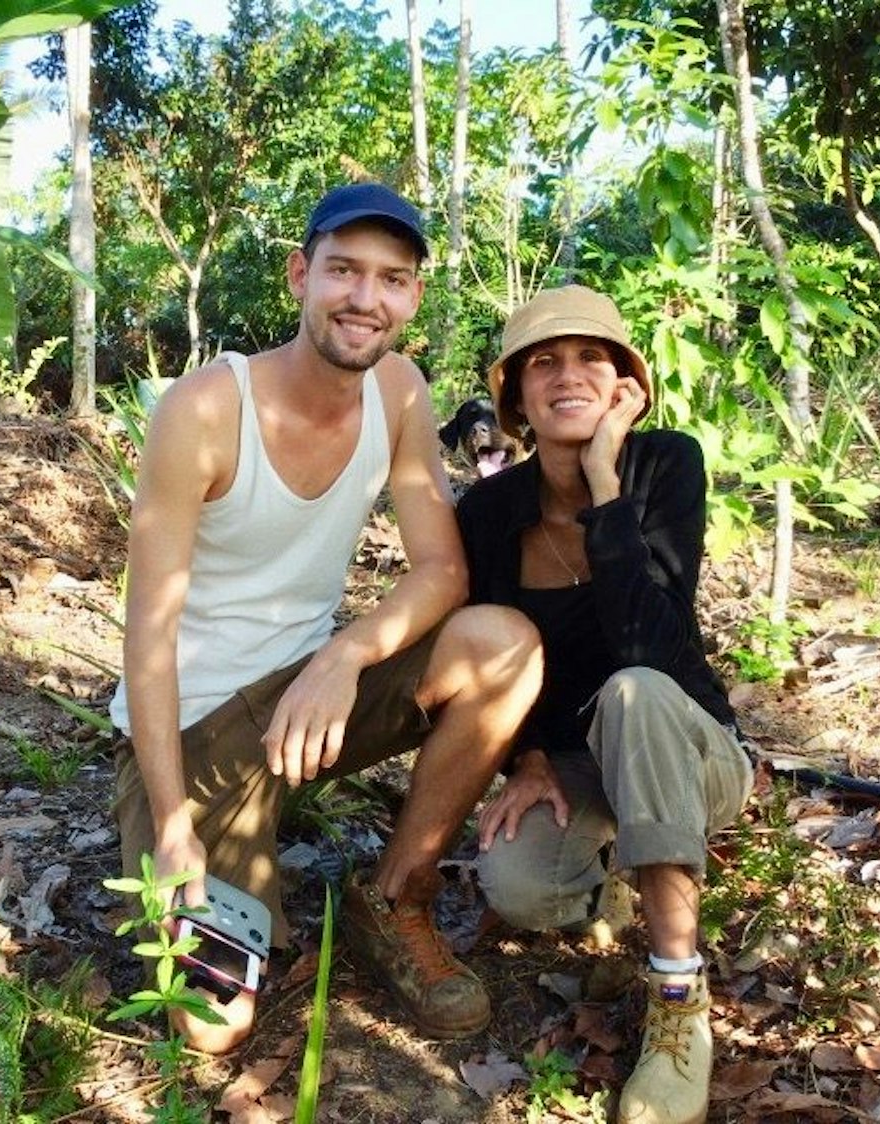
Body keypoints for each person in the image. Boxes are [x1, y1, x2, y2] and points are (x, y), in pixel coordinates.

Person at [111, 183, 542, 1054]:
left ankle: (396, 899)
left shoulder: (400, 392)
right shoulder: (203, 410)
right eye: (343, 271)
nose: (364, 298)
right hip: (196, 729)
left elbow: (443, 571)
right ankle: (219, 841)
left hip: (309, 706)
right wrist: (168, 825)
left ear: (412, 297)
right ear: (299, 275)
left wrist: (343, 656)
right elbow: (147, 636)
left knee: (504, 645)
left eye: (391, 279)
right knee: (210, 1029)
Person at [455, 286, 752, 1124]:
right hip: (585, 761)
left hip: (689, 747)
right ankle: (622, 879)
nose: (566, 375)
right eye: (542, 361)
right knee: (520, 890)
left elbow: (647, 645)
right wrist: (528, 757)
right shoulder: (489, 511)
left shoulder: (666, 463)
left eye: (591, 356)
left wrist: (601, 479)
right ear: (513, 393)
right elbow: (491, 654)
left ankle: (676, 998)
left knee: (634, 690)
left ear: (625, 382)